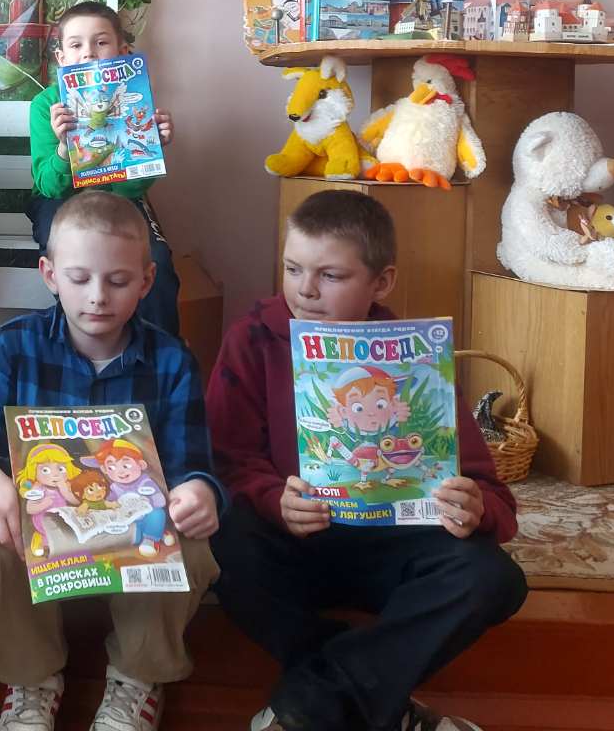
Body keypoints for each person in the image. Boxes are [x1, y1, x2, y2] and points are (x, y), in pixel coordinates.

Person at [207, 190, 526, 731]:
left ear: (381, 282)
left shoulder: (418, 359)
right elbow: (226, 461)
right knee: (220, 541)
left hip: (392, 550)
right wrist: (274, 499)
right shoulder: (252, 339)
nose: (305, 289)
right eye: (292, 269)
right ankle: (378, 703)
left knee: (494, 578)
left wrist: (473, 508)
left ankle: (310, 705)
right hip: (293, 545)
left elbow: (493, 498)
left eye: (330, 275)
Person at [0, 191, 223, 731]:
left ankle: (137, 677)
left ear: (146, 281)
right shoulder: (13, 347)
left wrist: (200, 491)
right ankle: (32, 680)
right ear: (49, 275)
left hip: (132, 534)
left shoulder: (172, 360)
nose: (97, 297)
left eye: (118, 281)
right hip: (42, 534)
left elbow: (193, 463)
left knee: (193, 545)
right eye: (79, 279)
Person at [27, 1, 181, 338]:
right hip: (61, 200)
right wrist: (64, 148)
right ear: (61, 58)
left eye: (101, 42)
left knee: (157, 263)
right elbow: (48, 186)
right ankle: (78, 346)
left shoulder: (133, 98)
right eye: (76, 45)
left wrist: (148, 148)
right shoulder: (47, 105)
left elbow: (133, 191)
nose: (89, 53)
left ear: (122, 52)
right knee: (72, 261)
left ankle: (159, 357)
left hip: (120, 200)